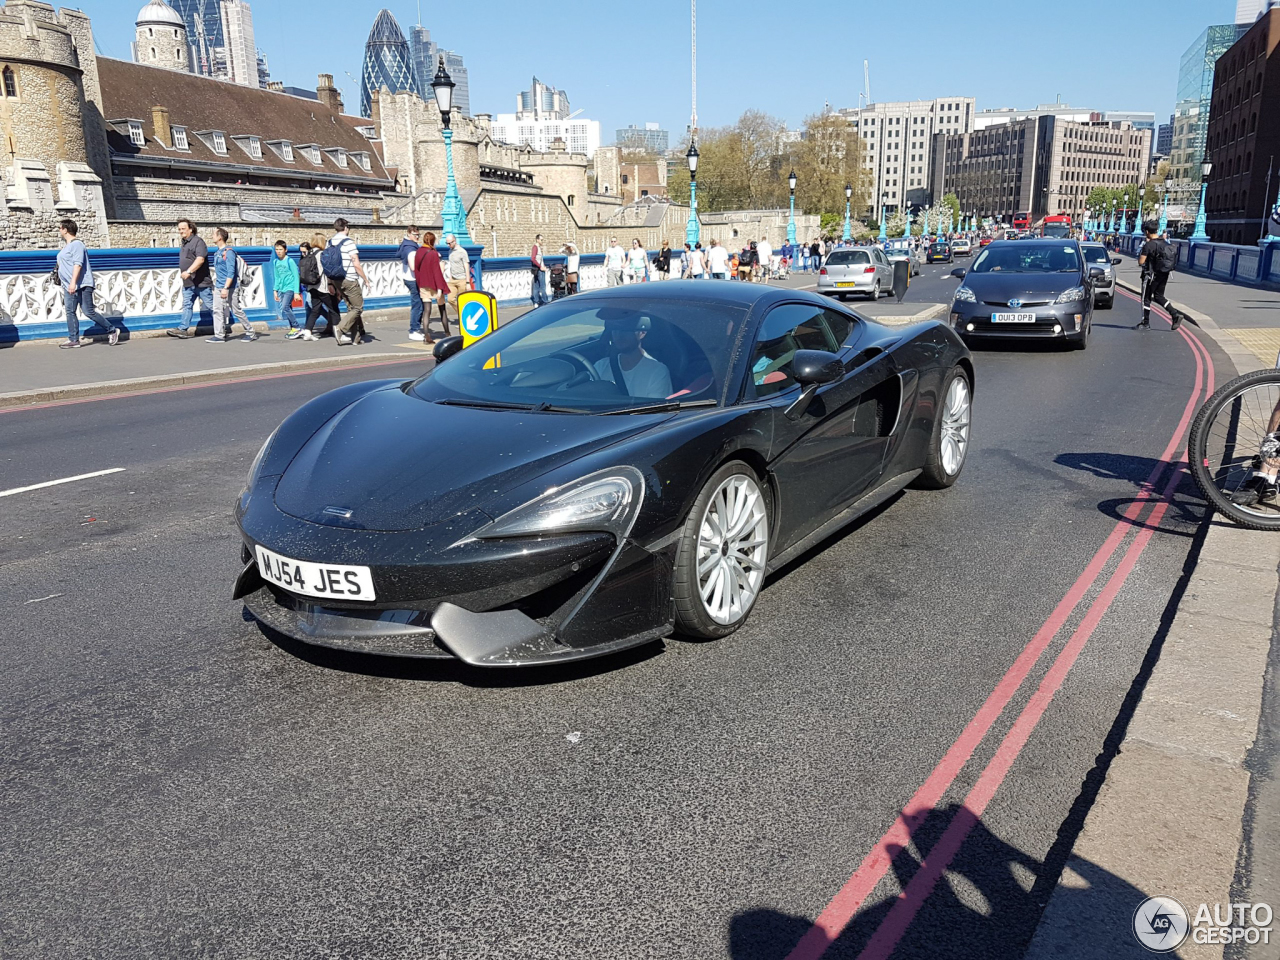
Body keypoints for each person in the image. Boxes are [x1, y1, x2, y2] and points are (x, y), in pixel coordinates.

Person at [55, 219, 121, 349]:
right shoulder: (67, 246)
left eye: (60, 228)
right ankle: (73, 339)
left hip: (82, 284)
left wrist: (73, 282)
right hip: (69, 285)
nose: (59, 230)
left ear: (65, 229)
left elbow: (78, 264)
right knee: (70, 311)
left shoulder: (77, 244)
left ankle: (112, 330)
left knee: (88, 311)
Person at [592, 315, 672, 399]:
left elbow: (657, 410)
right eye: (615, 329)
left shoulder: (657, 371)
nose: (619, 335)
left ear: (642, 333)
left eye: (626, 330)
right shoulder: (600, 366)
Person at [1136, 220, 1188, 331]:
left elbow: (1141, 261)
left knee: (1146, 298)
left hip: (1150, 276)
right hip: (1163, 274)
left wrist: (1143, 249)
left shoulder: (1149, 245)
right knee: (1159, 296)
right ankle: (1175, 314)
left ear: (1147, 232)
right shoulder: (1165, 243)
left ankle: (1145, 323)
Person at [168, 219, 214, 338]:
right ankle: (183, 329)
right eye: (179, 229)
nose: (180, 231)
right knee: (187, 305)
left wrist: (189, 271)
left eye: (183, 229)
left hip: (201, 282)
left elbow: (200, 259)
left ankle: (221, 325)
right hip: (188, 283)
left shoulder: (198, 242)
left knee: (211, 306)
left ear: (191, 229)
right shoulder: (184, 243)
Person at [326, 218, 369, 346]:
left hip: (336, 279)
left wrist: (330, 282)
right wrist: (365, 279)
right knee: (358, 307)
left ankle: (355, 339)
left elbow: (328, 263)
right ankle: (340, 328)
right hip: (349, 278)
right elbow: (356, 263)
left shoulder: (330, 242)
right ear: (346, 228)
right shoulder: (348, 242)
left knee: (351, 308)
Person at [210, 227, 255, 342]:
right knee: (217, 310)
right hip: (219, 286)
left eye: (214, 234)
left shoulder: (229, 252)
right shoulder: (217, 253)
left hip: (230, 287)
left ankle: (250, 331)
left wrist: (226, 288)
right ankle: (219, 335)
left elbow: (231, 272)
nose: (212, 236)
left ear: (220, 237)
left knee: (236, 310)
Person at [300, 232, 337, 340]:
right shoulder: (322, 254)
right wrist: (331, 284)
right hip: (322, 286)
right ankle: (339, 332)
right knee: (334, 309)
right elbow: (327, 271)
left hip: (311, 286)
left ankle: (307, 332)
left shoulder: (309, 254)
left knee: (315, 310)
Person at [414, 230, 450, 343]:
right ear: (433, 241)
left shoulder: (419, 252)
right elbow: (437, 272)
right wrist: (440, 289)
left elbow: (417, 269)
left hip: (423, 284)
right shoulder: (433, 253)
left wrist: (420, 283)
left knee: (426, 310)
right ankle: (447, 333)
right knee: (442, 309)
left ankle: (426, 336)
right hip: (434, 285)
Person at [272, 240, 302, 339]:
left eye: (280, 249)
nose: (278, 251)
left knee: (285, 307)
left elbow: (296, 276)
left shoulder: (290, 261)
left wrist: (296, 292)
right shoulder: (275, 262)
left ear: (285, 250)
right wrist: (275, 290)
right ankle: (293, 328)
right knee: (288, 308)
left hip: (290, 287)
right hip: (282, 288)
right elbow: (277, 277)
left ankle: (297, 327)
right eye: (276, 249)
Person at [398, 224, 424, 340]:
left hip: (407, 277)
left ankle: (415, 328)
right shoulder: (411, 249)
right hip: (413, 279)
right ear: (409, 234)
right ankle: (414, 330)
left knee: (417, 303)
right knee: (417, 305)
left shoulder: (404, 244)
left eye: (418, 235)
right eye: (415, 235)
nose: (417, 237)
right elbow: (413, 267)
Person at [444, 233, 470, 324]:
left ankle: (465, 319)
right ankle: (463, 315)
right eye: (447, 243)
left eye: (450, 243)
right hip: (453, 279)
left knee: (462, 300)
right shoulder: (450, 251)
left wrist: (467, 282)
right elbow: (451, 265)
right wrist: (450, 278)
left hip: (462, 279)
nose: (448, 245)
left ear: (454, 241)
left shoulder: (462, 252)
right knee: (450, 299)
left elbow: (466, 266)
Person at [530, 234, 549, 305]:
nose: (542, 241)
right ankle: (545, 301)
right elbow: (533, 259)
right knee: (542, 287)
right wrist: (541, 266)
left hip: (536, 269)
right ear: (537, 240)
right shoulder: (535, 247)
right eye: (541, 240)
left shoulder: (536, 247)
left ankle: (536, 301)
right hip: (539, 270)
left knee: (536, 286)